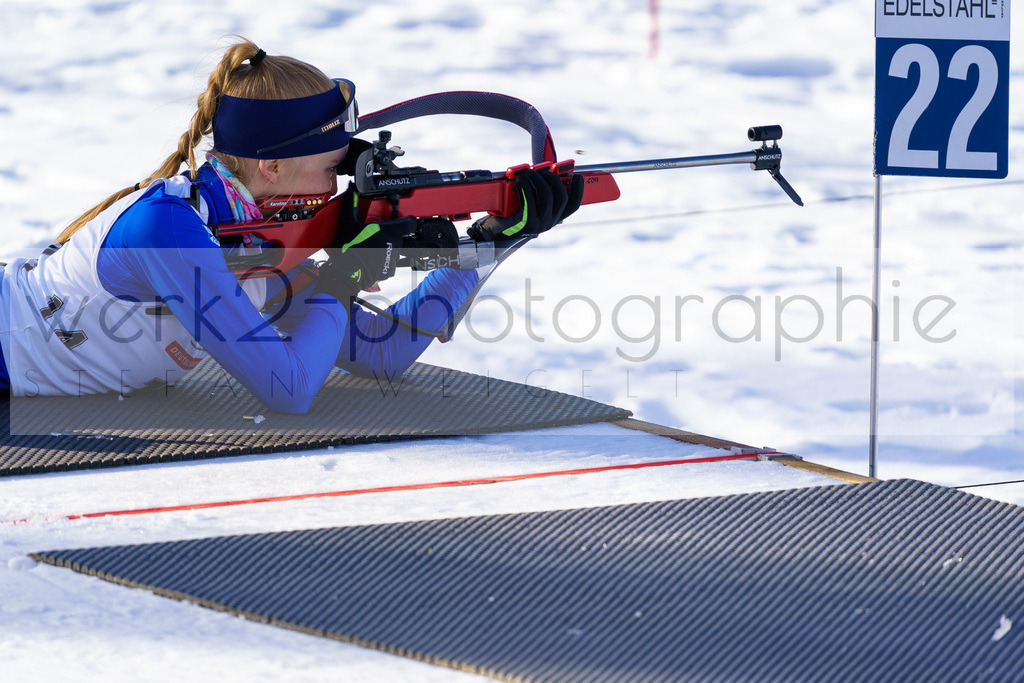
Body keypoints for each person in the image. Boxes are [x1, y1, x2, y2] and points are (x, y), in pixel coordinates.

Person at [0, 39, 580, 413]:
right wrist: (345, 275)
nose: (337, 184)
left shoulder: (259, 233)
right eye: (332, 167)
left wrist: (490, 244)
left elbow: (381, 355)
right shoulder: (168, 228)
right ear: (272, 167)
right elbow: (289, 390)